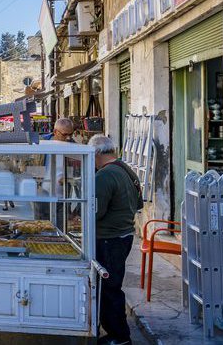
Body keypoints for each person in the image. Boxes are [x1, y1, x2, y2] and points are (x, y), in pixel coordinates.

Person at [90, 134, 142, 345]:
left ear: (95, 154)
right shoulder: (126, 169)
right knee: (111, 286)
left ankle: (119, 337)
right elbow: (139, 203)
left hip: (109, 239)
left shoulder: (104, 176)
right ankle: (114, 333)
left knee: (109, 289)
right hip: (123, 235)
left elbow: (95, 212)